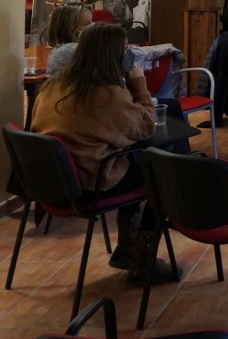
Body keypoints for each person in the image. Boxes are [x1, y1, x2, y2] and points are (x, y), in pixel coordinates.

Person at [30, 22, 176, 282]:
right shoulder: (106, 96)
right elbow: (145, 127)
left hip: (53, 186)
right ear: (113, 57)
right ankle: (143, 260)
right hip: (89, 186)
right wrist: (138, 85)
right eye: (124, 51)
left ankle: (128, 247)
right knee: (162, 173)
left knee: (136, 162)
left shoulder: (52, 86)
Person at [42, 2, 93, 75]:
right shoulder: (72, 50)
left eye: (92, 21)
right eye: (87, 23)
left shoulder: (61, 48)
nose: (93, 26)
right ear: (70, 28)